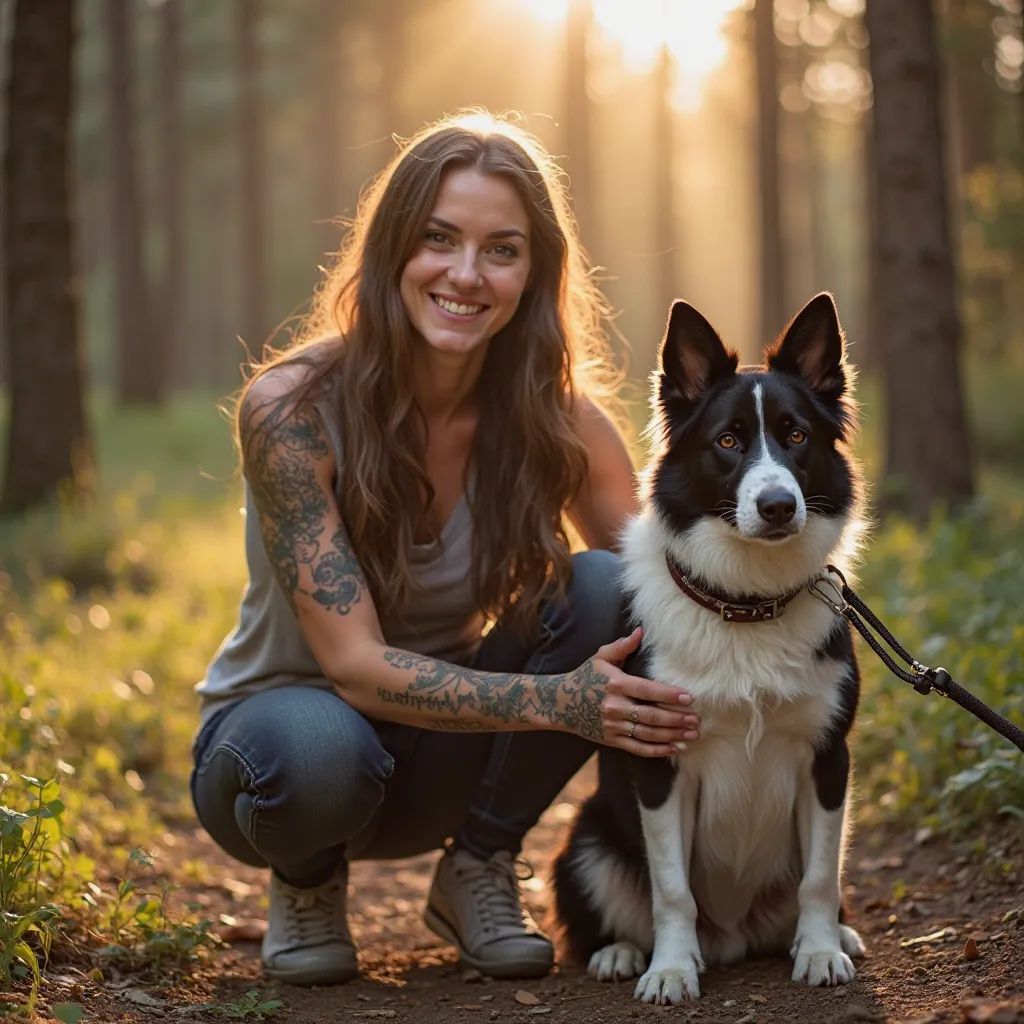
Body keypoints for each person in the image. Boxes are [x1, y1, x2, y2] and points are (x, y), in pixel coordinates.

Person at [189, 110, 701, 988]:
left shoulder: (563, 421)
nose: (465, 274)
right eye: (438, 240)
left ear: (533, 273)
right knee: (320, 750)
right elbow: (352, 668)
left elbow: (675, 585)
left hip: (445, 763)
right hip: (281, 751)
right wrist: (558, 703)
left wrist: (802, 582)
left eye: (501, 249)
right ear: (392, 250)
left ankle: (478, 866)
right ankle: (307, 881)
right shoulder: (292, 409)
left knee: (614, 583)